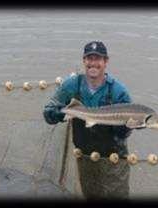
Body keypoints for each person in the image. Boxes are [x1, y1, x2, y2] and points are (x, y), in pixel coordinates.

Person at [43, 41, 133, 199]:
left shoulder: (118, 91)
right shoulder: (72, 85)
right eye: (89, 58)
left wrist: (126, 127)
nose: (93, 63)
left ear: (106, 62)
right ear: (84, 61)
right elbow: (48, 112)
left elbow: (124, 134)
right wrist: (60, 114)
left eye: (98, 59)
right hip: (84, 156)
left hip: (114, 158)